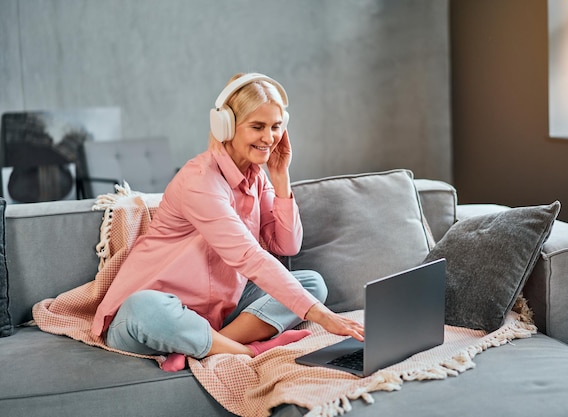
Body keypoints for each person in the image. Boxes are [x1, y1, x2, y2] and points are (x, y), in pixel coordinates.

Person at [91, 72, 364, 372]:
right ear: (226, 126)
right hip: (151, 315)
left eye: (276, 127)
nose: (269, 137)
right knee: (145, 308)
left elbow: (287, 245)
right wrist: (325, 318)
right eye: (257, 127)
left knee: (312, 284)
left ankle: (205, 344)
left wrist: (280, 175)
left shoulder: (256, 177)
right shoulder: (200, 181)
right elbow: (249, 257)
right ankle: (247, 351)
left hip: (217, 313)